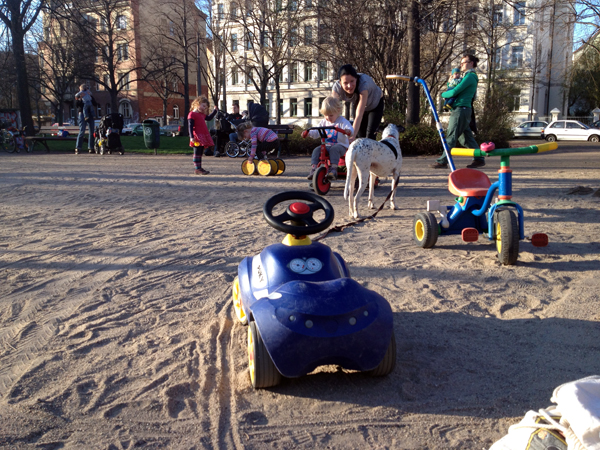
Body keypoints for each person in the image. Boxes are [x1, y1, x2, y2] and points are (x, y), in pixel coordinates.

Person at [432, 54, 485, 169]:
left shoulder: (470, 76)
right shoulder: (467, 76)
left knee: (451, 135)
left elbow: (455, 91)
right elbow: (454, 87)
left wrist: (443, 94)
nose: (461, 65)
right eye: (460, 63)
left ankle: (443, 161)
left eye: (464, 62)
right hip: (463, 110)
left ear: (471, 63)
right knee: (466, 138)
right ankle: (479, 158)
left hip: (461, 109)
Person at [303, 96, 354, 180]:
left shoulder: (342, 121)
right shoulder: (324, 122)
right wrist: (308, 133)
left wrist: (348, 131)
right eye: (325, 115)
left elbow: (350, 129)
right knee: (316, 150)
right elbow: (316, 132)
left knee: (334, 149)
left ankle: (333, 168)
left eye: (330, 115)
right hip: (326, 146)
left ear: (338, 111)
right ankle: (314, 169)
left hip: (341, 146)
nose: (328, 118)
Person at [331, 64, 384, 142]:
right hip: (357, 103)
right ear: (340, 82)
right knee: (360, 136)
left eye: (352, 81)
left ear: (356, 78)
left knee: (369, 135)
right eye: (345, 83)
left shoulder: (363, 84)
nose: (349, 86)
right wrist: (331, 132)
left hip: (375, 104)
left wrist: (352, 137)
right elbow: (332, 110)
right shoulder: (336, 88)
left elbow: (359, 114)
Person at [189, 96, 218, 175]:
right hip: (197, 136)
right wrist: (191, 136)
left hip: (202, 135)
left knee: (200, 152)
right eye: (203, 106)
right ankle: (197, 168)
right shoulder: (192, 114)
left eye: (205, 107)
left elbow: (209, 118)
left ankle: (199, 167)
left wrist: (215, 111)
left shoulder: (201, 115)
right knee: (197, 152)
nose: (204, 108)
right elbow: (190, 126)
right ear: (197, 104)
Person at [74, 88, 98, 154]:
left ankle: (91, 148)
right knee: (82, 131)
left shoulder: (89, 96)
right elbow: (77, 105)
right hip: (82, 114)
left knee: (92, 131)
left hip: (90, 114)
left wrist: (91, 96)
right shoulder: (79, 96)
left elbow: (95, 104)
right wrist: (80, 98)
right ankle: (78, 148)